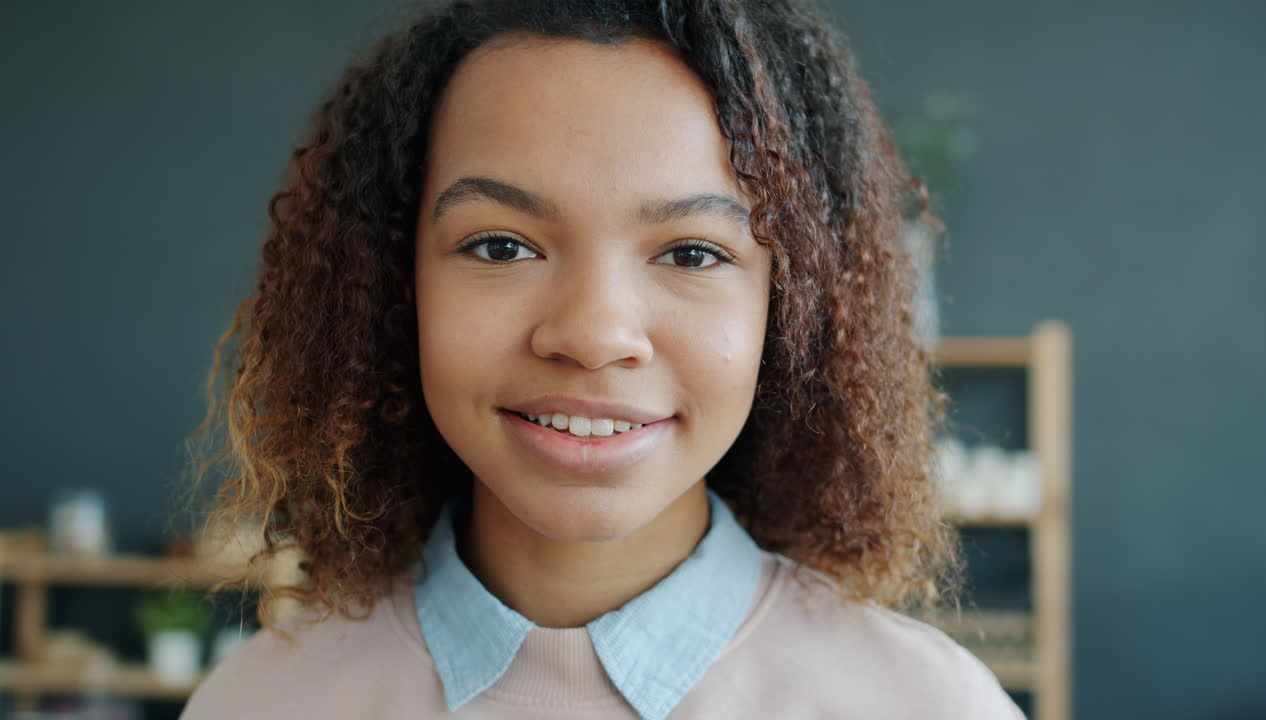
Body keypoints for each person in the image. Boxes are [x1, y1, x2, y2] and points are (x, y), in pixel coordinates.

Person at [179, 0, 1025, 717]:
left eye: (692, 254)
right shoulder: (257, 704)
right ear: (393, 286)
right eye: (502, 246)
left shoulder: (929, 705)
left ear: (792, 306)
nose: (591, 335)